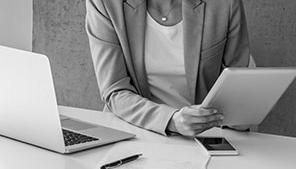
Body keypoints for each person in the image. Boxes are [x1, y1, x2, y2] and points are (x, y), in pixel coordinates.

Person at [86, 0, 255, 137]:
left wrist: (239, 116)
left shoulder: (225, 4)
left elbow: (239, 82)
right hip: (132, 129)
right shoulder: (105, 3)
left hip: (202, 135)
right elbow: (115, 90)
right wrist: (171, 120)